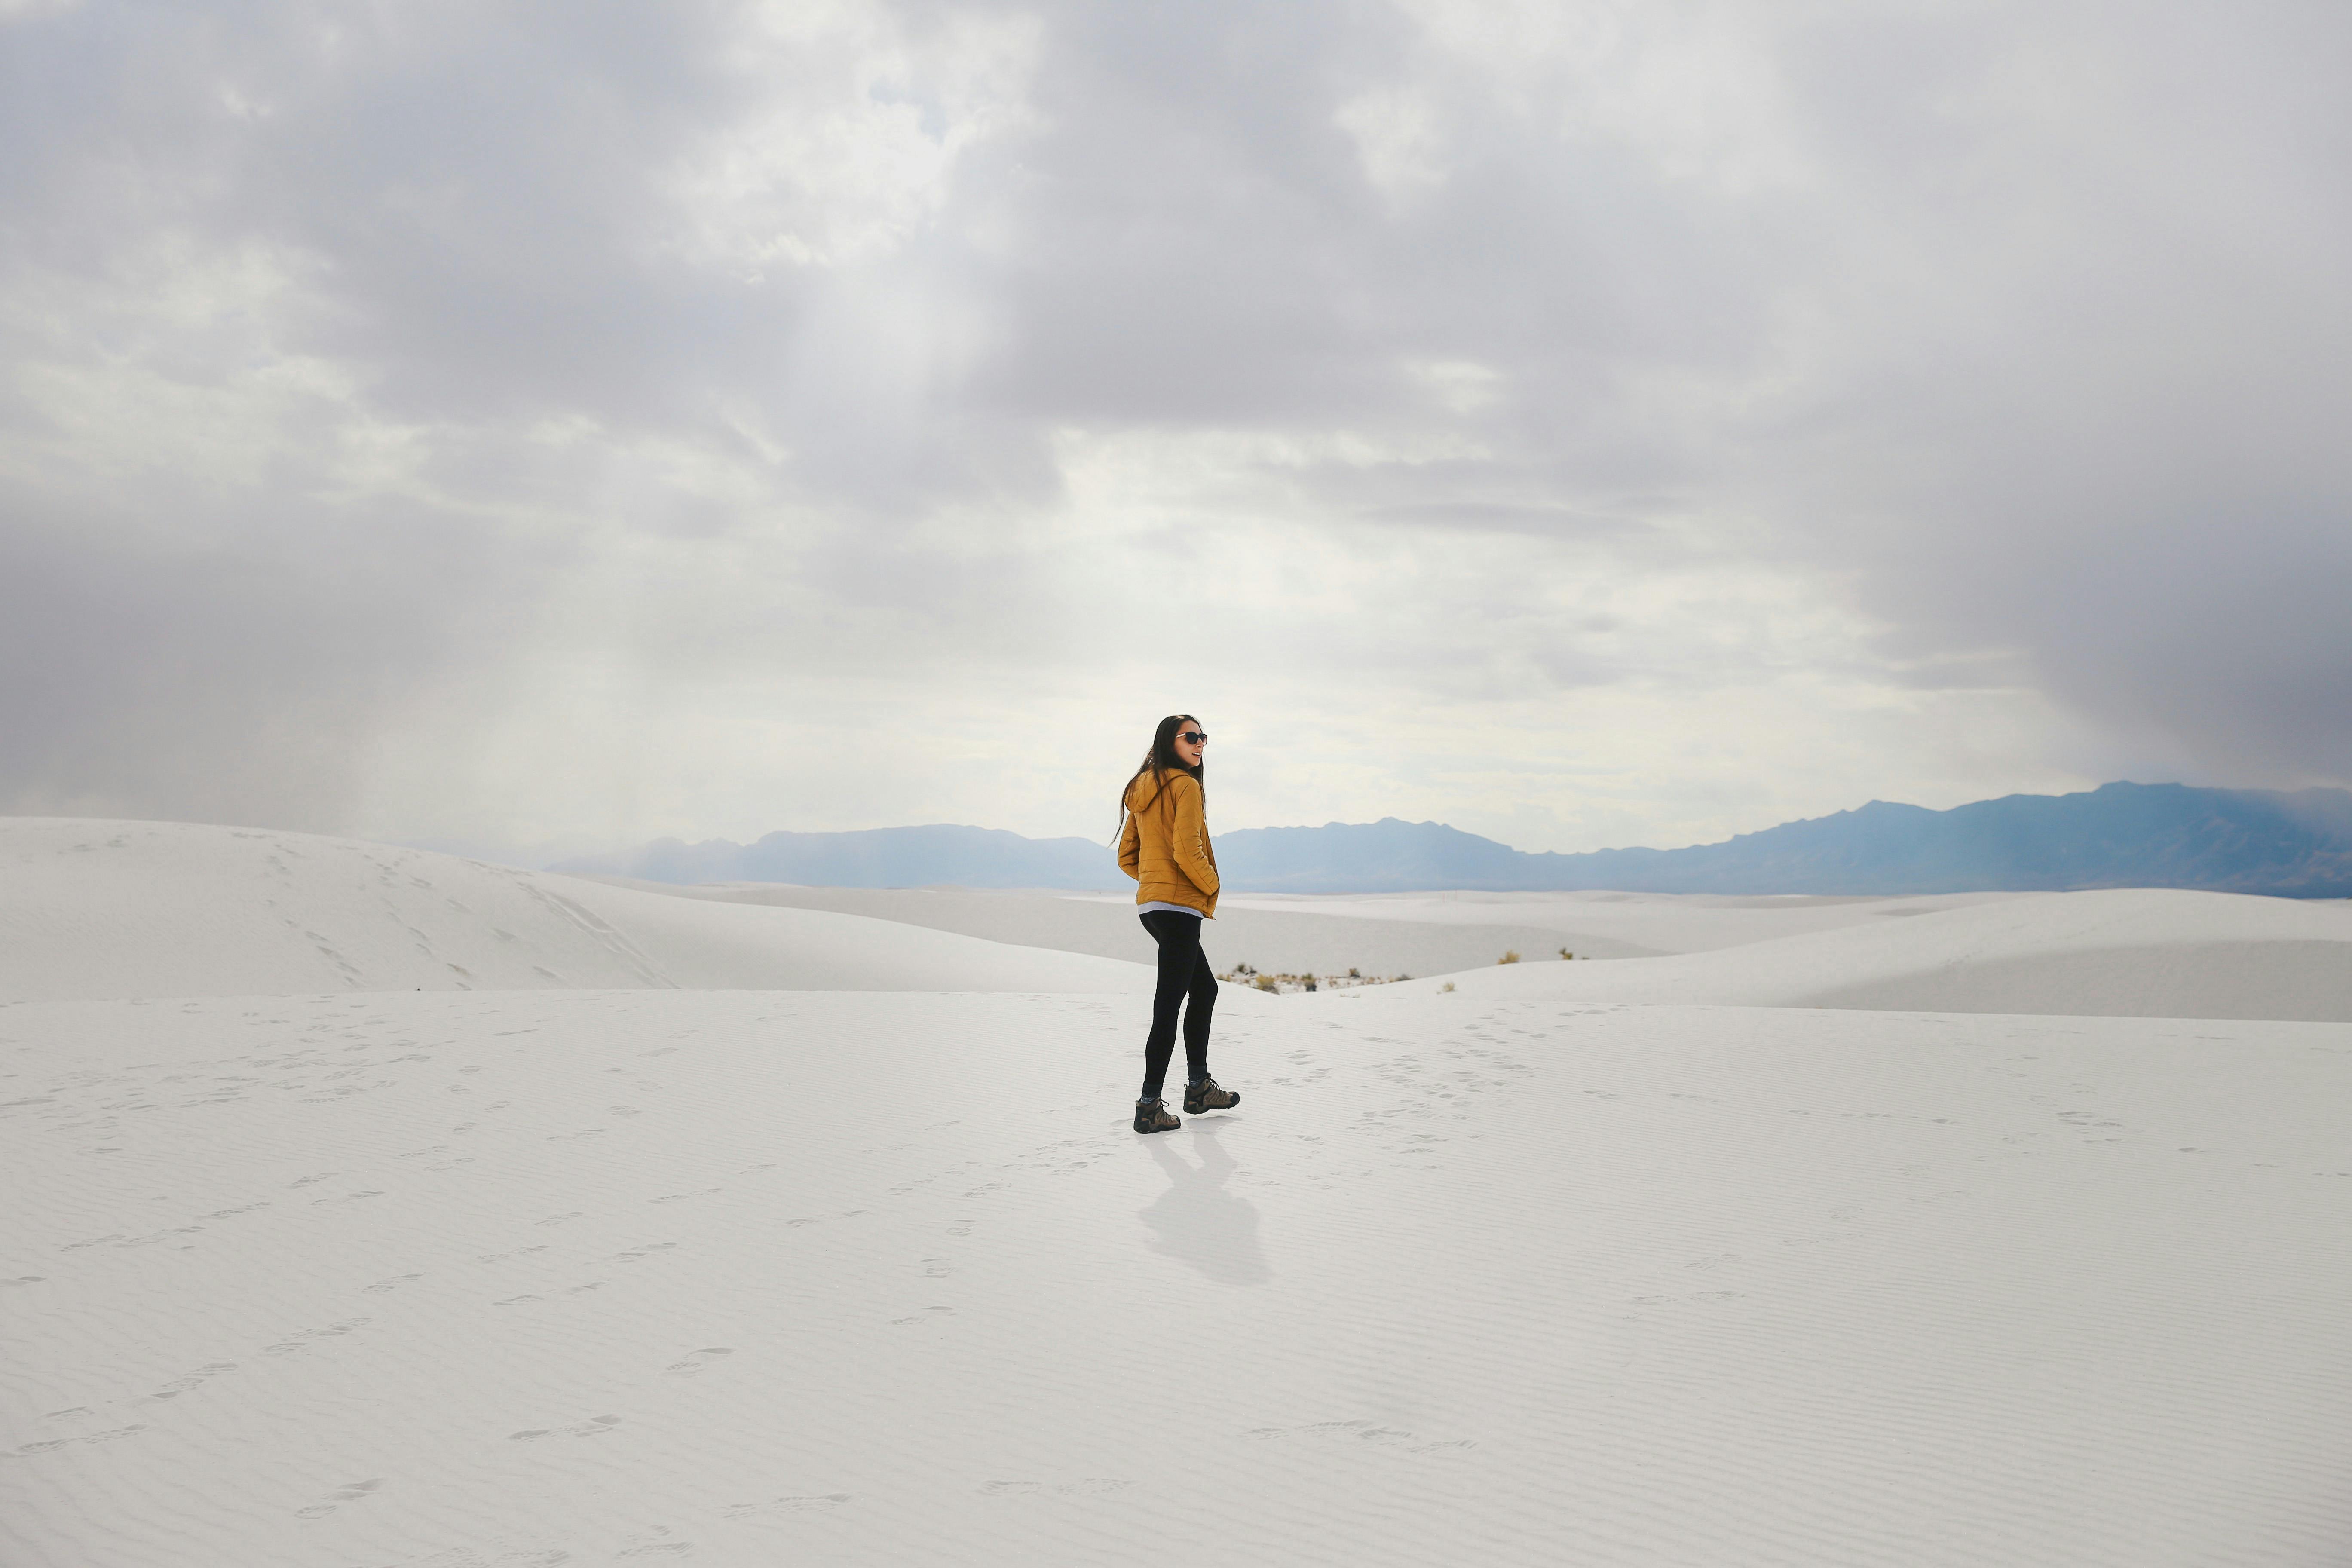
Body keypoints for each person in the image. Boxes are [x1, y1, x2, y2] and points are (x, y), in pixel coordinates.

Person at [1115, 714, 1242, 1134]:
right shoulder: (1186, 786)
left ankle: (1198, 1087)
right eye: (1192, 737)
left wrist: (1157, 884)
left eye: (1204, 737)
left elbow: (1126, 857)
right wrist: (1211, 887)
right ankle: (1150, 1105)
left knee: (1203, 989)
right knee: (1168, 1006)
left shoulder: (1142, 788)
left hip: (1152, 907)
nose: (1201, 743)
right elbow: (1188, 850)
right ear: (1171, 741)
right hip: (1180, 908)